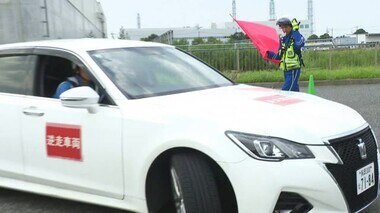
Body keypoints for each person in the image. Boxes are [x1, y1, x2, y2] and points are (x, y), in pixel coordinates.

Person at [267, 17, 305, 92]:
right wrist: (267, 53)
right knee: (294, 92)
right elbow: (279, 55)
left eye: (286, 27)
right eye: (282, 27)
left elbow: (299, 44)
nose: (284, 30)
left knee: (286, 92)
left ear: (291, 26)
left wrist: (295, 30)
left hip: (293, 70)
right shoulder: (283, 39)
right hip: (286, 70)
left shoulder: (296, 37)